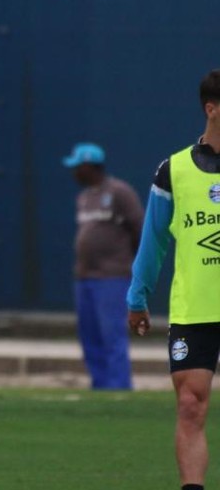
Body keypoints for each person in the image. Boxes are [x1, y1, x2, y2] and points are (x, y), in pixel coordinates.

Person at [127, 68, 220, 490]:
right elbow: (154, 241)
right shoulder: (174, 169)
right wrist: (137, 296)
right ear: (212, 108)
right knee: (190, 405)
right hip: (194, 309)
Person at [63, 142, 144, 390]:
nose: (74, 172)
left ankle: (118, 386)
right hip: (84, 277)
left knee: (112, 335)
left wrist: (130, 264)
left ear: (89, 166)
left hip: (112, 277)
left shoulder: (119, 192)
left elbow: (139, 229)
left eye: (77, 167)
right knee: (90, 336)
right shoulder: (85, 197)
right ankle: (99, 384)